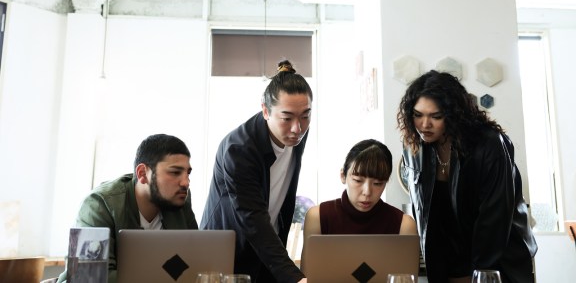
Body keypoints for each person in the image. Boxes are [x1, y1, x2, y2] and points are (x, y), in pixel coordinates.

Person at [397, 70, 538, 283]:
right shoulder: (413, 148)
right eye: (418, 115)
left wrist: (478, 275)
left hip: (496, 264)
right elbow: (425, 218)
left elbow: (495, 222)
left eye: (436, 116)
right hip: (447, 265)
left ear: (454, 115)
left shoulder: (489, 145)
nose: (424, 125)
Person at [200, 60, 312, 283]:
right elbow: (253, 220)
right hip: (227, 255)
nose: (297, 128)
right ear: (265, 110)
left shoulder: (296, 134)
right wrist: (295, 278)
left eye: (306, 116)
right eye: (287, 118)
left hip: (266, 253)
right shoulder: (239, 150)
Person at [57, 134, 198, 283]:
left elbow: (193, 260)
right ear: (143, 173)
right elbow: (87, 277)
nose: (186, 182)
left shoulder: (179, 201)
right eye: (175, 172)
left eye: (187, 173)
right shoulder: (98, 204)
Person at [300, 139, 418, 273]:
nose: (367, 192)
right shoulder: (318, 217)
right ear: (343, 176)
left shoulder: (403, 224)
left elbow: (407, 279)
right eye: (358, 180)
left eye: (378, 183)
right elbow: (307, 277)